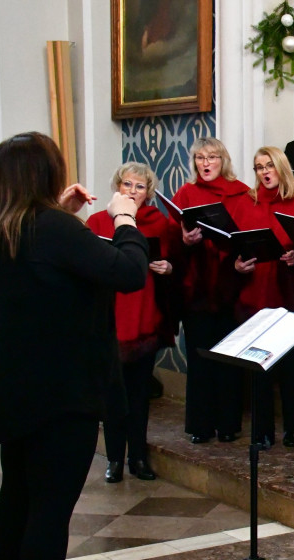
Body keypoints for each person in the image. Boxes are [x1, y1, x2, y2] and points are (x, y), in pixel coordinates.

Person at [0, 132, 148, 560]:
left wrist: (65, 216)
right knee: (50, 508)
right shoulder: (48, 228)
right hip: (63, 392)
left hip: (12, 390)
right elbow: (129, 272)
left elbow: (43, 270)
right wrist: (125, 218)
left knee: (16, 497)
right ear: (47, 175)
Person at [86, 162, 180, 483]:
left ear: (149, 192)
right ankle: (114, 458)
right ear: (118, 187)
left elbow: (174, 266)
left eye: (140, 187)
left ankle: (138, 457)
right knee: (114, 396)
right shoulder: (98, 221)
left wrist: (168, 268)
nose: (133, 191)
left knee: (140, 395)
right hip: (111, 318)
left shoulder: (158, 224)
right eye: (127, 185)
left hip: (145, 315)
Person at [228, 146, 294, 447]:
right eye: (258, 167)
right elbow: (231, 248)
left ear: (281, 167)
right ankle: (262, 431)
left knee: (290, 369)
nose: (264, 172)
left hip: (289, 295)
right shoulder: (244, 203)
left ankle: (291, 428)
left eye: (269, 166)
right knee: (258, 369)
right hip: (254, 295)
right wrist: (237, 265)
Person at [174, 137, 250, 445]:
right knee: (200, 357)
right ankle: (200, 425)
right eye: (200, 158)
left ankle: (228, 423)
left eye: (212, 158)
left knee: (228, 357)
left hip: (231, 284)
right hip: (198, 288)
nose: (206, 163)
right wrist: (185, 241)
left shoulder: (242, 193)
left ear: (223, 161)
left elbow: (248, 235)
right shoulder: (186, 194)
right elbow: (170, 238)